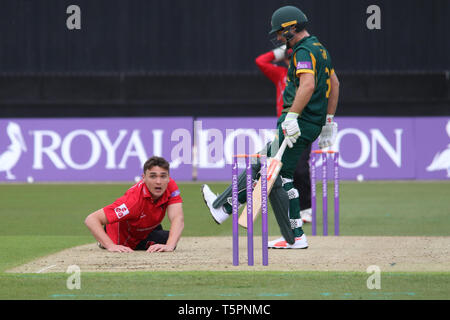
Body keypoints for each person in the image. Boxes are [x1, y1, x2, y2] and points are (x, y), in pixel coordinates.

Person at [202, 5, 339, 249]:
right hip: (310, 123)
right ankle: (226, 208)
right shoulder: (320, 49)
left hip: (299, 123)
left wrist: (292, 116)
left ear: (291, 28)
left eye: (279, 32)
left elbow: (307, 85)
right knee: (266, 166)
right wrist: (328, 120)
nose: (277, 37)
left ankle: (292, 235)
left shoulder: (303, 51)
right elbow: (335, 84)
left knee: (275, 174)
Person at [255, 45, 312, 223]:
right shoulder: (280, 74)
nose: (290, 62)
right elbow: (260, 61)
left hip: (302, 125)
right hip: (284, 126)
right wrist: (279, 52)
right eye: (287, 59)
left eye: (292, 59)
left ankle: (305, 209)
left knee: (300, 169)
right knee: (281, 168)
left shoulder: (306, 76)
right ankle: (291, 209)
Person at [85, 156, 184, 253]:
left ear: (168, 178)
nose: (158, 181)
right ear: (144, 178)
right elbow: (91, 219)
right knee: (165, 239)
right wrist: (110, 245)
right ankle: (105, 238)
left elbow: (177, 217)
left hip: (144, 225)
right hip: (127, 238)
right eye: (153, 176)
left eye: (163, 176)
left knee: (171, 240)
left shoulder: (170, 186)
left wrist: (170, 246)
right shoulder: (133, 201)